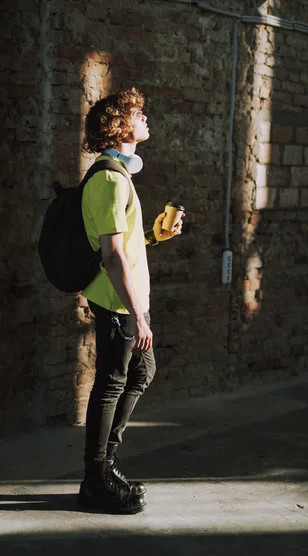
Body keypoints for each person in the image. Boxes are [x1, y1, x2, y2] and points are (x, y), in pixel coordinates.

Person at [77, 88, 184, 514]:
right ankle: (95, 478)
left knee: (139, 371)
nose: (145, 119)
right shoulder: (107, 179)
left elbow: (123, 245)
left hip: (127, 300)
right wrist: (139, 316)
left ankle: (105, 466)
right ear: (120, 125)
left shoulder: (119, 176)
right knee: (112, 382)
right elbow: (111, 256)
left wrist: (155, 234)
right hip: (118, 302)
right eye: (138, 114)